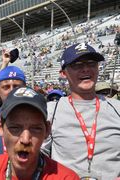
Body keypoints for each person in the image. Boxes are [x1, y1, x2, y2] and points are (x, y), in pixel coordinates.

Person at [42, 43, 120, 179]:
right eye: (77, 65)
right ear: (63, 73)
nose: (85, 69)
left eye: (91, 64)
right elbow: (37, 157)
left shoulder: (117, 108)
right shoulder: (51, 111)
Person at [0, 87, 79, 179]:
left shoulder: (66, 177)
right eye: (15, 128)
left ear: (47, 130)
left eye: (35, 129)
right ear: (0, 127)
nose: (25, 139)